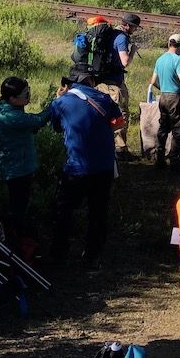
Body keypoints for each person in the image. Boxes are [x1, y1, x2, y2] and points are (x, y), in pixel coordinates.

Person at [48, 76, 124, 268]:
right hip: (104, 165)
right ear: (90, 81)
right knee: (98, 211)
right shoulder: (103, 98)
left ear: (66, 85)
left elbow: (57, 127)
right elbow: (119, 122)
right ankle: (92, 255)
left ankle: (59, 253)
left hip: (77, 166)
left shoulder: (60, 102)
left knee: (64, 209)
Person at [0, 77, 52, 239]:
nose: (29, 95)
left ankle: (17, 236)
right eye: (25, 93)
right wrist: (56, 103)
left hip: (17, 165)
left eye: (28, 90)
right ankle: (16, 241)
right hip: (16, 168)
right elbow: (37, 120)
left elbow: (26, 129)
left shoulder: (8, 108)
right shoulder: (9, 115)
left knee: (19, 204)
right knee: (18, 207)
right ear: (12, 98)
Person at [97, 12, 141, 161]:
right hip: (114, 84)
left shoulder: (113, 33)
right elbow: (125, 62)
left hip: (103, 82)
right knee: (121, 114)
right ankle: (121, 150)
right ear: (128, 25)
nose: (135, 30)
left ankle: (107, 146)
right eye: (134, 27)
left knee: (105, 114)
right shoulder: (122, 38)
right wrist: (133, 50)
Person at [149, 34, 180, 171]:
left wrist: (164, 87)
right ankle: (175, 160)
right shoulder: (178, 60)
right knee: (177, 128)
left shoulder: (160, 59)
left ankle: (159, 157)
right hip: (175, 97)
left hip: (163, 96)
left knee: (163, 127)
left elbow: (153, 81)